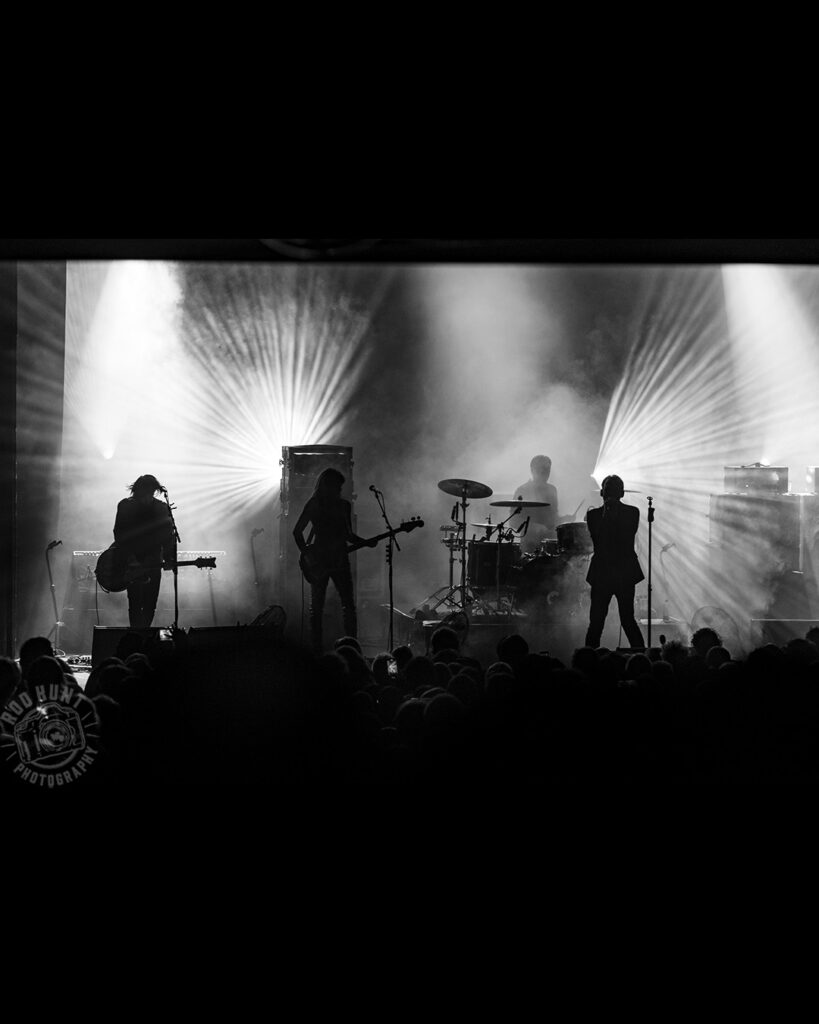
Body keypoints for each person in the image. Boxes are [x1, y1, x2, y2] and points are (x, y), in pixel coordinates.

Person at [292, 468, 376, 652]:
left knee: (337, 606)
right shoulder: (317, 504)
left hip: (337, 560)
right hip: (327, 560)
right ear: (328, 485)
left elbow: (348, 535)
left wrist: (366, 542)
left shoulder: (341, 505)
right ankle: (326, 650)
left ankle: (344, 648)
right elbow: (297, 531)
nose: (339, 490)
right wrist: (307, 553)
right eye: (337, 486)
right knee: (334, 606)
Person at [584, 474, 645, 649]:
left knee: (627, 620)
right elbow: (598, 539)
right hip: (604, 573)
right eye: (608, 491)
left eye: (613, 491)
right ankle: (589, 657)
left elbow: (626, 536)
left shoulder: (632, 512)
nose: (610, 495)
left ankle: (640, 654)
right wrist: (607, 514)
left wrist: (611, 514)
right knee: (596, 622)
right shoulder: (594, 515)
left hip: (622, 573)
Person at [113, 474, 177, 628]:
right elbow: (120, 534)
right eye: (145, 493)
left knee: (150, 604)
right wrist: (130, 558)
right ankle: (136, 634)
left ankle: (144, 633)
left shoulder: (161, 507)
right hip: (132, 562)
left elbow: (168, 536)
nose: (148, 497)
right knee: (135, 603)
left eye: (151, 493)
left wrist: (169, 558)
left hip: (153, 562)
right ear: (137, 491)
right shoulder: (126, 506)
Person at [514, 455, 559, 553]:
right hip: (530, 544)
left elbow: (553, 518)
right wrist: (536, 527)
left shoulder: (552, 490)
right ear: (532, 470)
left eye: (547, 470)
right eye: (542, 469)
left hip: (551, 543)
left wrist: (565, 520)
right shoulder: (522, 490)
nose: (545, 473)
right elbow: (514, 521)